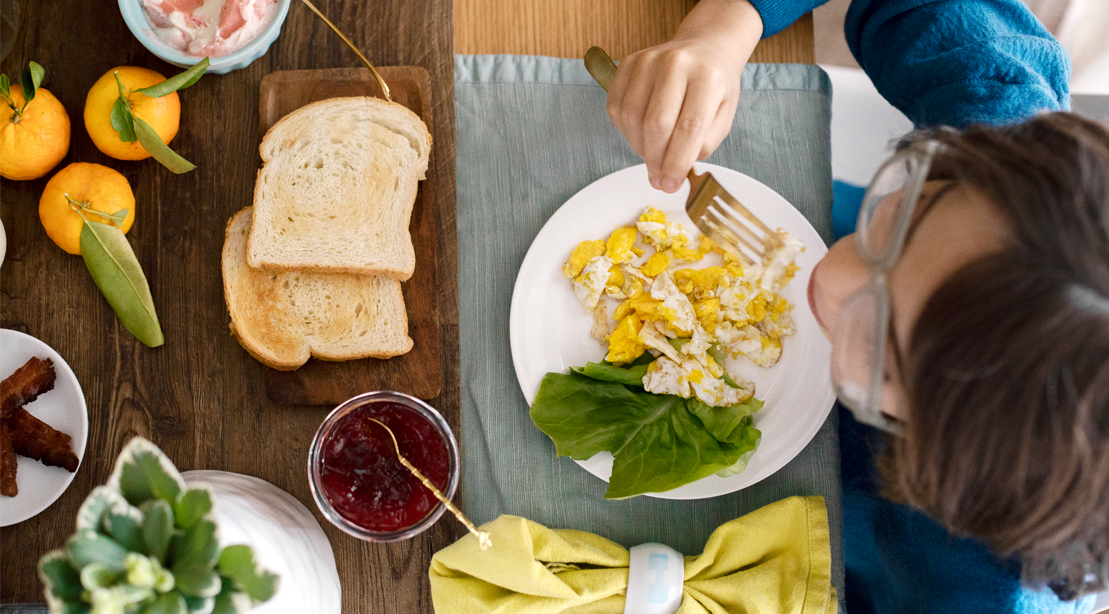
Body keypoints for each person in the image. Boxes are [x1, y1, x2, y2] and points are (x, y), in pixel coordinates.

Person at [605, 0, 1108, 611]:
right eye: (902, 218)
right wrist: (727, 27)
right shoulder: (1006, 174)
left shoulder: (984, 592)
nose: (829, 272)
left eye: (878, 347)